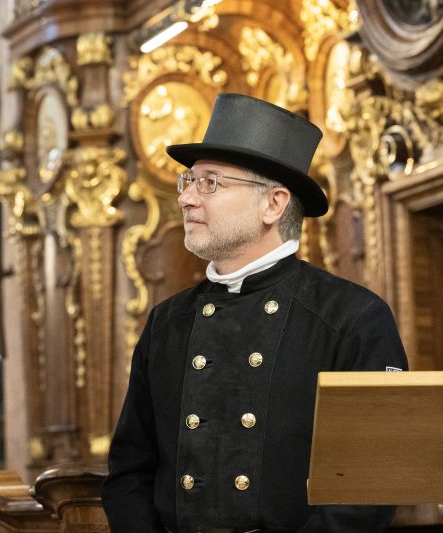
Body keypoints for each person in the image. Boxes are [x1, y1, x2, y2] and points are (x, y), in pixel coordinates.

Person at [101, 93, 408, 532]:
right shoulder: (166, 322)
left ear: (273, 204)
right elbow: (128, 474)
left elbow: (370, 484)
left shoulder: (353, 319)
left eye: (210, 183)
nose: (186, 198)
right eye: (188, 181)